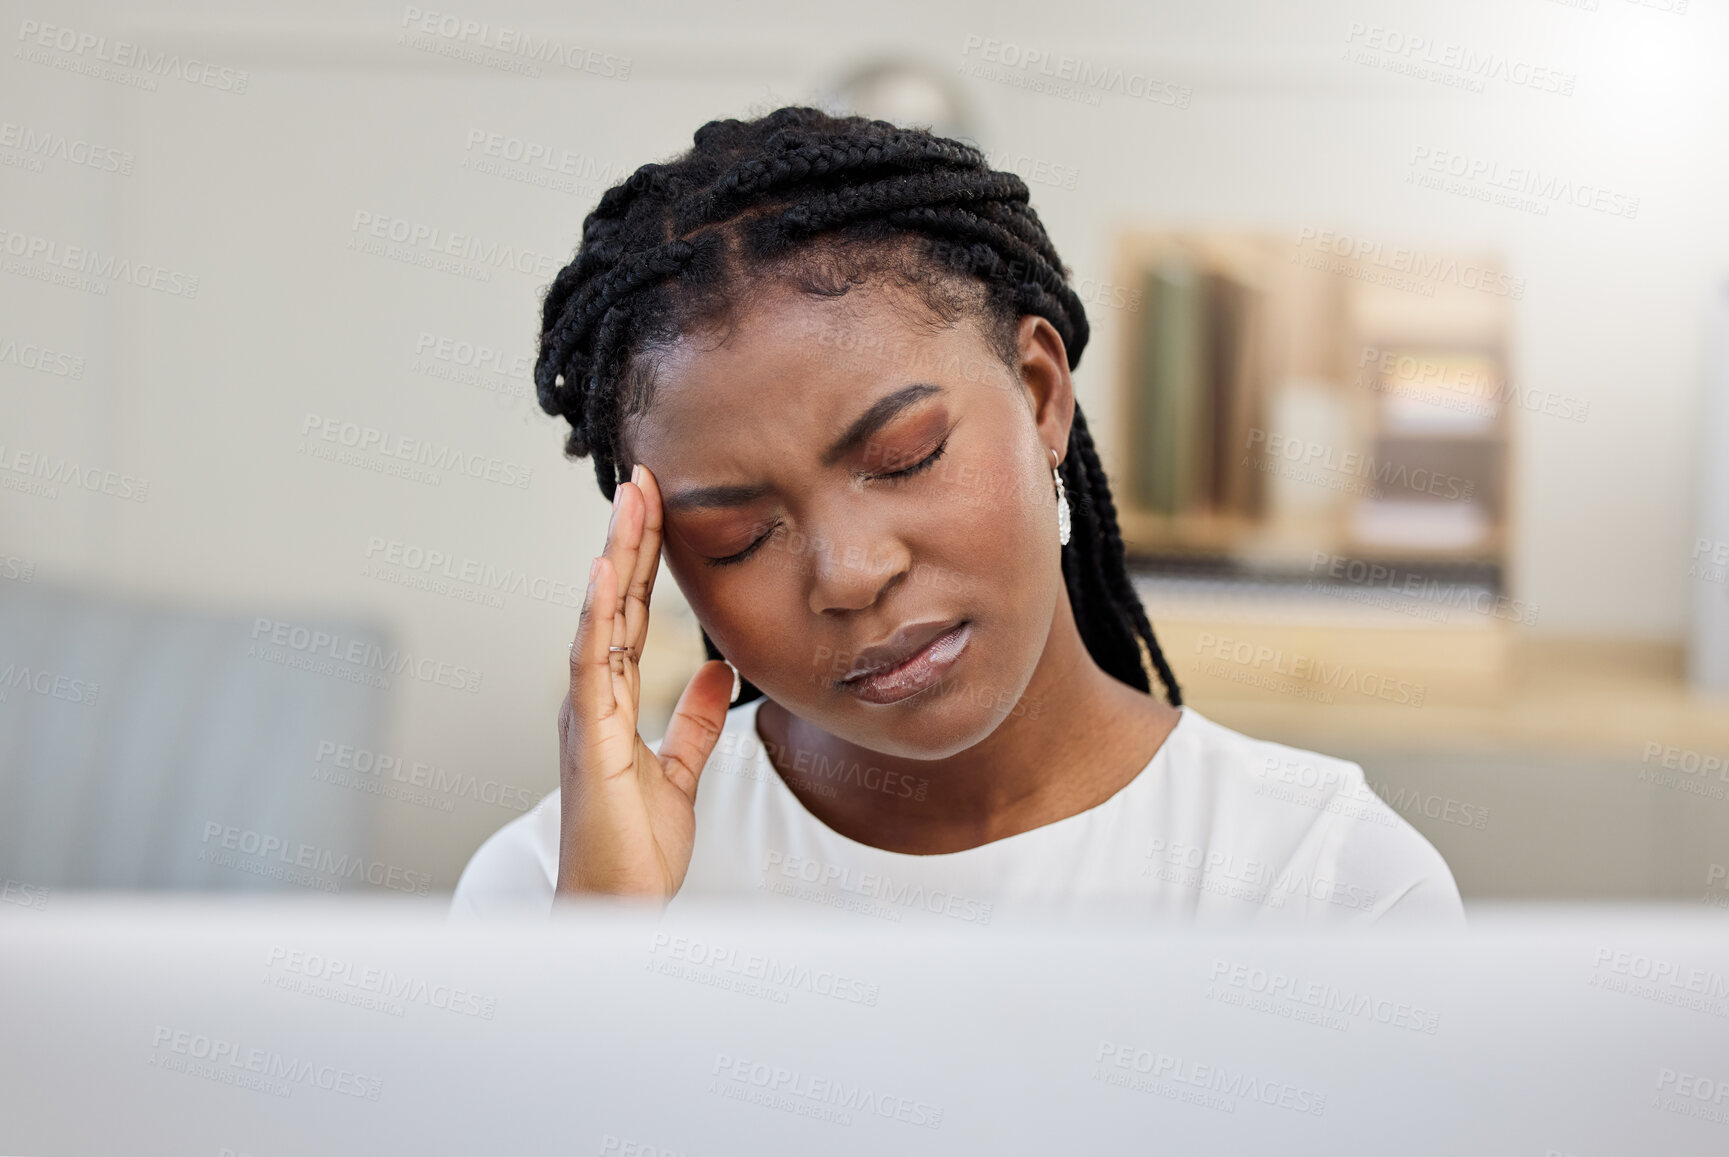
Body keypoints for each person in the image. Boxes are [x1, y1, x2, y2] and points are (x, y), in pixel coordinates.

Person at [450, 106, 1464, 927]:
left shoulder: (1326, 883)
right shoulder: (546, 892)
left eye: (905, 457)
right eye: (738, 535)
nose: (849, 572)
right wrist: (599, 948)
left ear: (1037, 391)